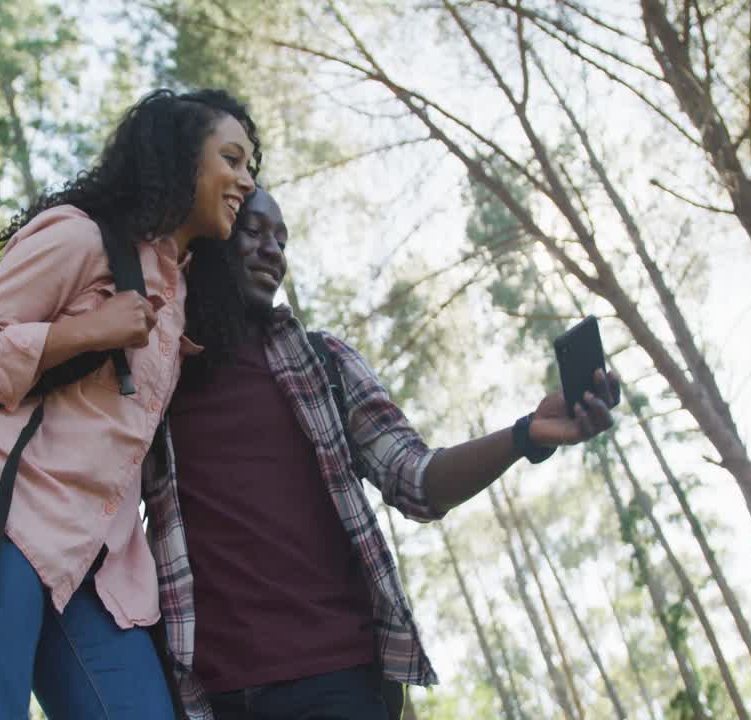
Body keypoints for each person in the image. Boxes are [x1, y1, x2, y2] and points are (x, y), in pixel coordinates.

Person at [144, 188, 620, 720]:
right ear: (207, 235)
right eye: (253, 231)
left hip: (341, 686)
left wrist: (525, 435)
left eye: (281, 239)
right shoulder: (153, 375)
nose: (274, 249)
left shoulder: (324, 361)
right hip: (210, 698)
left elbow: (415, 477)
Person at [0, 88, 260, 720]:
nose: (246, 178)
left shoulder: (183, 301)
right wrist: (83, 332)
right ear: (182, 157)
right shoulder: (80, 237)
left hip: (97, 568)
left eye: (251, 165)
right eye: (231, 158)